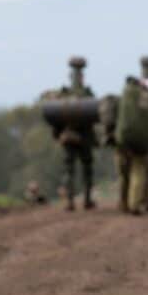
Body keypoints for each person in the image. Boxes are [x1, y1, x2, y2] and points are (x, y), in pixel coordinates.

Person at [114, 56, 148, 215]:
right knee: (138, 171)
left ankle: (123, 203)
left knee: (124, 173)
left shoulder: (128, 91)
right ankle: (134, 204)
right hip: (142, 142)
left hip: (122, 140)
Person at [47, 56, 97, 211]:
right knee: (86, 169)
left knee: (69, 170)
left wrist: (59, 135)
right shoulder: (87, 94)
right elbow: (95, 115)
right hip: (85, 137)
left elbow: (56, 120)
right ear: (82, 76)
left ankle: (70, 201)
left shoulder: (63, 94)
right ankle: (87, 200)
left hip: (68, 137)